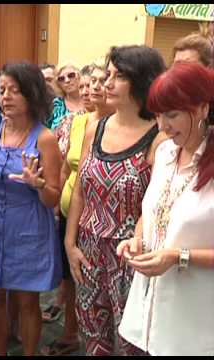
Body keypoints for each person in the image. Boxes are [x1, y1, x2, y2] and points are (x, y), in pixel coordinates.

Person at [64, 45, 167, 356]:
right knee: (93, 338)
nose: (106, 83)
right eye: (108, 75)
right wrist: (70, 244)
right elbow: (81, 188)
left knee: (131, 344)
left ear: (142, 81)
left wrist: (134, 248)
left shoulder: (160, 137)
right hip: (89, 253)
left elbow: (155, 205)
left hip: (129, 258)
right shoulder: (96, 128)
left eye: (118, 76)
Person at [0, 62, 63, 356]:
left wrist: (38, 185)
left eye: (14, 91)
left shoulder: (44, 138)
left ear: (31, 94)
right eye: (2, 90)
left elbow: (53, 199)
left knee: (27, 302)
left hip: (28, 226)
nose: (5, 96)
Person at [117, 62, 214, 356]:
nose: (162, 126)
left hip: (196, 316)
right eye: (158, 115)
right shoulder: (165, 152)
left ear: (202, 108)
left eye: (172, 115)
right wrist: (137, 239)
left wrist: (177, 257)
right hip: (152, 307)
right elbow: (153, 210)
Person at [41, 62, 115, 356]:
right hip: (70, 211)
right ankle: (73, 333)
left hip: (97, 219)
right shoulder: (76, 122)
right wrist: (59, 203)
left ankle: (96, 337)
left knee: (93, 282)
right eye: (89, 82)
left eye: (99, 81)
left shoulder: (118, 124)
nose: (92, 88)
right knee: (71, 278)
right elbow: (64, 166)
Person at [46, 62, 83, 130]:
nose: (67, 80)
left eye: (71, 75)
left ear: (79, 76)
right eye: (61, 79)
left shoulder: (89, 101)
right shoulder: (54, 105)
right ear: (58, 84)